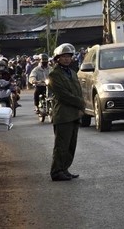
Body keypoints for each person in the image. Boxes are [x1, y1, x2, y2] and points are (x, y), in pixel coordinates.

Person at [48, 43, 85, 182]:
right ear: (57, 58)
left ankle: (64, 169)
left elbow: (78, 92)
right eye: (63, 57)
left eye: (69, 56)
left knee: (71, 145)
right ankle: (56, 171)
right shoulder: (54, 75)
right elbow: (63, 95)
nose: (67, 59)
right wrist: (80, 104)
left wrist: (80, 109)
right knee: (61, 146)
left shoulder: (73, 73)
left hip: (74, 114)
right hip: (63, 115)